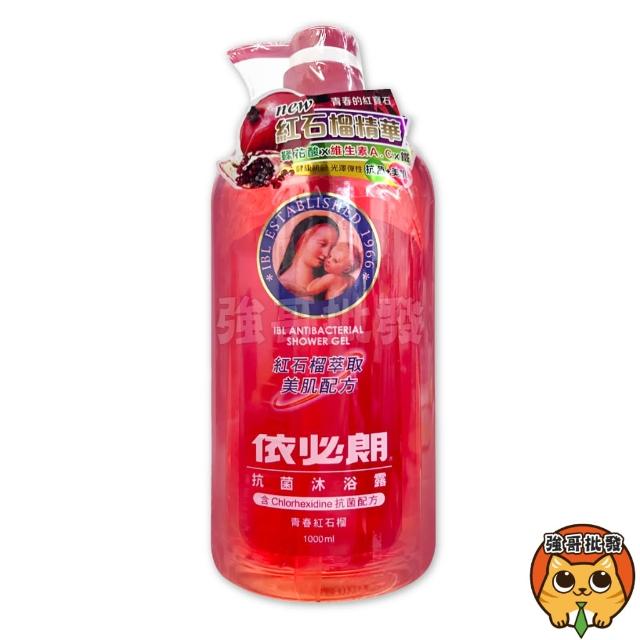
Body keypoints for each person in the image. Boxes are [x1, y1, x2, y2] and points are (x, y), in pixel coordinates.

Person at [277, 215, 339, 300]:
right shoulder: (283, 286)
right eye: (322, 244)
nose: (326, 254)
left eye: (332, 248)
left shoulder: (327, 286)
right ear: (304, 238)